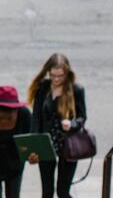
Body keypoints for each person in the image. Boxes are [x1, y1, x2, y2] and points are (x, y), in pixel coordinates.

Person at [27, 53, 87, 198]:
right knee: (47, 192)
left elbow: (82, 117)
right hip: (46, 144)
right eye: (53, 75)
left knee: (62, 192)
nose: (56, 79)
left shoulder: (76, 90)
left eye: (60, 76)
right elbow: (36, 117)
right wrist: (33, 144)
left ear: (67, 73)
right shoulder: (43, 88)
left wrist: (71, 124)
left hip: (67, 145)